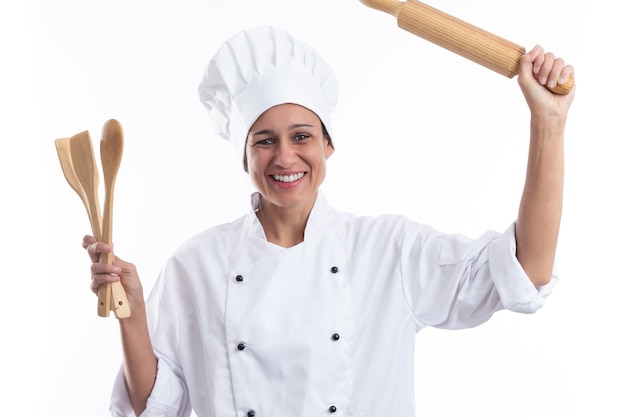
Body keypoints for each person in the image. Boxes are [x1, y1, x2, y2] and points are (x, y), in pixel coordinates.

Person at [83, 25, 575, 417]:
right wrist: (134, 316)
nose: (285, 157)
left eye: (302, 136)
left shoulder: (388, 250)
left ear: (328, 145)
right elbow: (156, 407)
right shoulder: (196, 264)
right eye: (265, 140)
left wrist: (548, 123)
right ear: (244, 156)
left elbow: (525, 269)